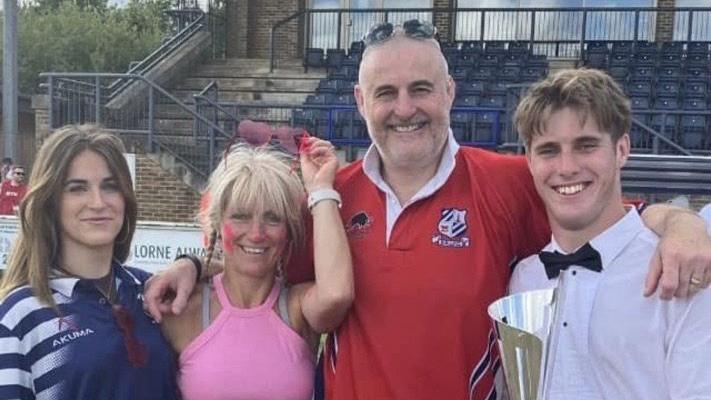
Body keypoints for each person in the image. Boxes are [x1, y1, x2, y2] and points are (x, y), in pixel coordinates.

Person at [145, 20, 711, 400]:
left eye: (421, 89)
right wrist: (195, 266)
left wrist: (684, 225)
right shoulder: (327, 199)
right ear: (361, 103)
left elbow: (612, 214)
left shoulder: (507, 183)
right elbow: (256, 257)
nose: (405, 109)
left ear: (449, 93)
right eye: (386, 93)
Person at [508, 68, 711, 399]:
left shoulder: (682, 269)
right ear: (529, 160)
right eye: (548, 150)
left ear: (621, 150)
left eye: (586, 145)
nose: (567, 167)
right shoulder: (523, 278)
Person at [160, 141, 353, 400]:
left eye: (273, 219)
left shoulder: (297, 309)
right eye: (240, 216)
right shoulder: (184, 309)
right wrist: (192, 264)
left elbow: (336, 295)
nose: (256, 234)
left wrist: (320, 190)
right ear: (217, 225)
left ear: (289, 233)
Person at [0, 125, 179, 399]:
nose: (98, 202)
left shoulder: (152, 291)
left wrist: (193, 264)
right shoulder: (20, 316)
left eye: (110, 186)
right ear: (50, 202)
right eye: (77, 189)